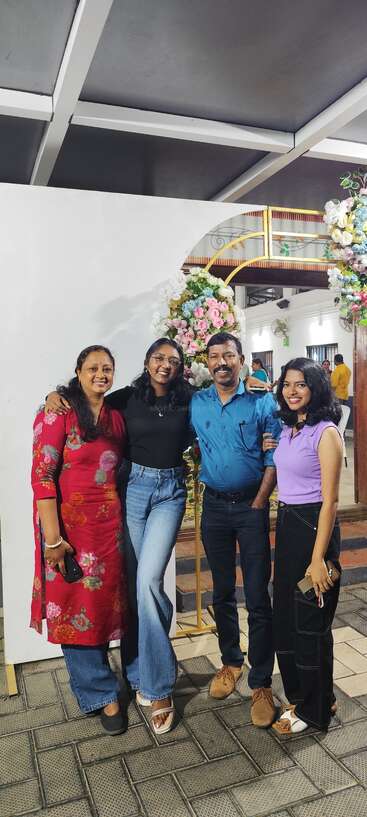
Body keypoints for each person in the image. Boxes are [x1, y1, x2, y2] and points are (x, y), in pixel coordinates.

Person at [46, 338, 191, 736]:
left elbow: (215, 420)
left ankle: (157, 684)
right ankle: (135, 674)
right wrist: (54, 394)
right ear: (146, 362)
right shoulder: (124, 399)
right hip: (131, 493)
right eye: (158, 358)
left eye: (173, 360)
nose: (165, 365)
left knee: (146, 584)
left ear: (180, 367)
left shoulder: (188, 399)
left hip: (166, 494)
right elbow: (83, 400)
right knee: (130, 588)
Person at [31, 346, 128, 735]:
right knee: (75, 607)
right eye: (93, 368)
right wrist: (53, 540)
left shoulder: (114, 415)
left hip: (108, 530)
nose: (100, 374)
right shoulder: (59, 413)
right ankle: (99, 693)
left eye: (107, 368)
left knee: (101, 607)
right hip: (68, 532)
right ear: (77, 371)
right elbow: (42, 477)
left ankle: (101, 680)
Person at [190, 331, 282, 728]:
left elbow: (274, 455)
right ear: (207, 363)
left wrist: (259, 502)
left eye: (229, 355)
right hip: (213, 508)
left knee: (259, 593)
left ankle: (261, 681)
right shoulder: (197, 402)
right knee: (222, 591)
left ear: (242, 360)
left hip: (251, 507)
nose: (222, 362)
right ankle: (231, 662)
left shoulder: (262, 401)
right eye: (215, 356)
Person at [266, 358, 342, 734]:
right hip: (290, 527)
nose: (292, 391)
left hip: (316, 529)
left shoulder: (326, 432)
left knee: (311, 623)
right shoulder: (289, 429)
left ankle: (316, 710)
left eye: (301, 385)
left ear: (315, 388)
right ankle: (304, 696)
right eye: (287, 384)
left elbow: (330, 501)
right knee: (287, 619)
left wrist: (318, 558)